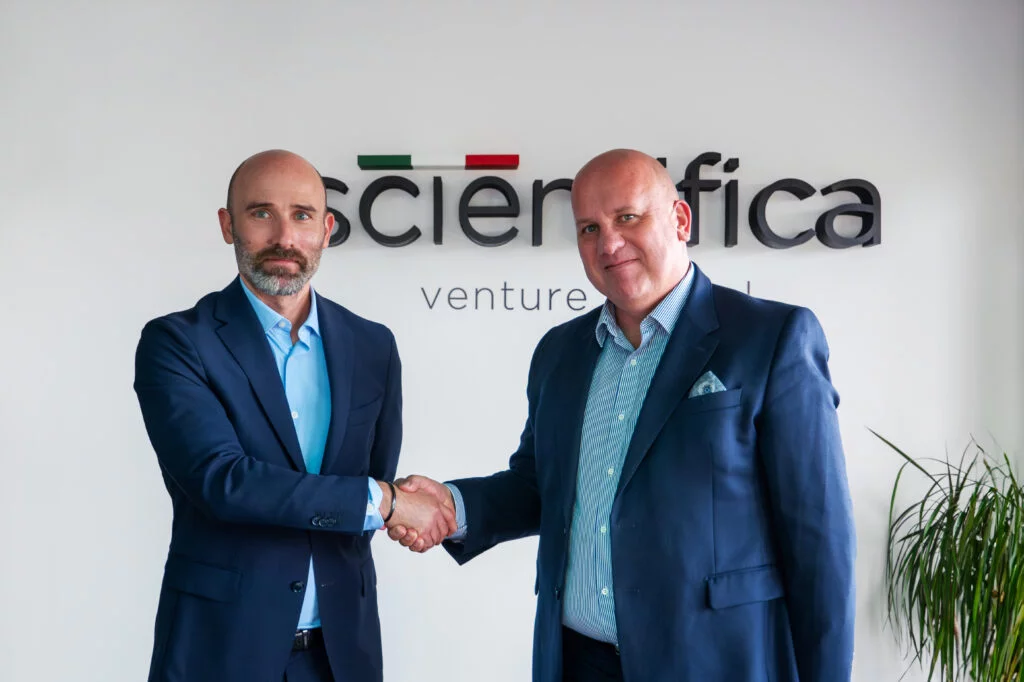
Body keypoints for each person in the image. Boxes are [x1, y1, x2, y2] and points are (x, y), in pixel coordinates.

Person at [389, 149, 856, 682]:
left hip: (713, 664)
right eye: (589, 228)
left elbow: (819, 543)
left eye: (627, 218)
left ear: (681, 220)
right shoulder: (560, 352)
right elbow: (540, 486)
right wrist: (453, 505)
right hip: (576, 663)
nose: (608, 244)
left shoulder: (772, 338)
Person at [133, 149, 455, 682]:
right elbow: (223, 481)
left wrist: (392, 503)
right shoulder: (178, 343)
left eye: (302, 215)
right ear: (228, 225)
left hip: (342, 654)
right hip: (220, 649)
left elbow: (370, 481)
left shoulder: (372, 346)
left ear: (326, 229)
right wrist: (388, 502)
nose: (285, 236)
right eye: (261, 213)